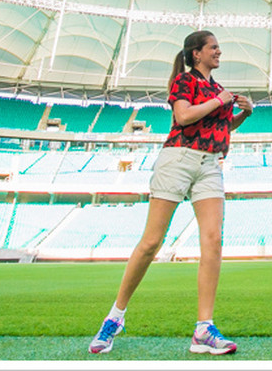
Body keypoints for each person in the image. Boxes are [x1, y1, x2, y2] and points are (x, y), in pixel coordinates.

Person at [89, 30, 253, 356]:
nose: (219, 52)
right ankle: (115, 317)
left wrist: (243, 114)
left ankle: (204, 329)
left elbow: (219, 127)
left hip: (210, 163)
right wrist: (220, 102)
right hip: (178, 158)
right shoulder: (184, 82)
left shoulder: (218, 89)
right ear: (196, 54)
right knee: (151, 241)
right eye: (213, 48)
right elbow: (184, 116)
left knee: (213, 240)